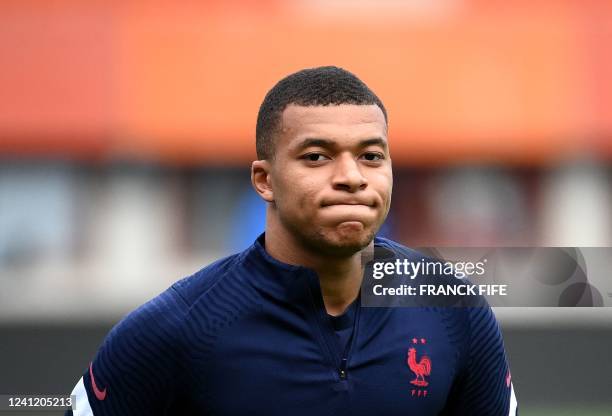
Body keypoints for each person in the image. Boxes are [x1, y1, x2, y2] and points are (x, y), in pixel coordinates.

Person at [67, 66, 518, 415]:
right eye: (317, 156)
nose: (352, 178)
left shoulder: (453, 311)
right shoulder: (177, 329)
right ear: (265, 180)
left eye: (371, 156)